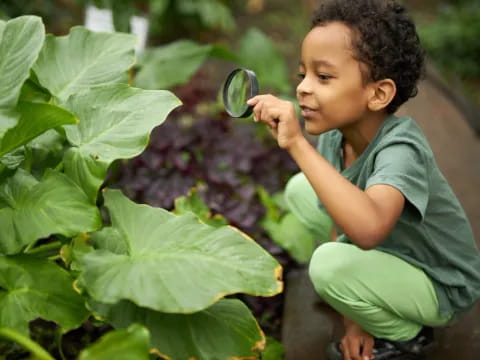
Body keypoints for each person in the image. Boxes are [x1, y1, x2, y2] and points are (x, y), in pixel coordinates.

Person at [246, 0, 480, 359]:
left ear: (378, 93)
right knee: (302, 190)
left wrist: (295, 143)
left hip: (439, 283)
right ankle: (363, 294)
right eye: (303, 74)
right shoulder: (335, 136)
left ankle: (407, 334)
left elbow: (368, 229)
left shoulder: (402, 149)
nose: (304, 89)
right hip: (392, 250)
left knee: (326, 265)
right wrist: (353, 318)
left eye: (323, 77)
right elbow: (342, 224)